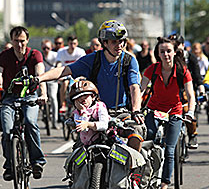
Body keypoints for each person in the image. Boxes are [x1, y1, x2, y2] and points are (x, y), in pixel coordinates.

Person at [37, 20, 145, 151]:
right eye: (114, 42)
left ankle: (133, 170)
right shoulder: (93, 59)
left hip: (121, 113)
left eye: (122, 41)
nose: (119, 45)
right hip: (93, 113)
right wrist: (39, 79)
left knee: (137, 132)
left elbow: (134, 87)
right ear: (104, 43)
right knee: (78, 154)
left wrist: (136, 111)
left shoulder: (129, 60)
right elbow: (64, 70)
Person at [0, 26, 47, 180]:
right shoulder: (5, 56)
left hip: (30, 97)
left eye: (22, 41)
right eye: (16, 41)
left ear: (27, 41)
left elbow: (41, 74)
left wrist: (43, 94)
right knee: (6, 130)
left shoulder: (35, 54)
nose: (19, 45)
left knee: (31, 122)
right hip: (9, 97)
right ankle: (10, 165)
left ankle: (37, 162)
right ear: (11, 41)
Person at [140, 37, 196, 189]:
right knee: (148, 140)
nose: (166, 54)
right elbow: (140, 90)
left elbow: (191, 95)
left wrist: (191, 112)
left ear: (174, 52)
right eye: (162, 52)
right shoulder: (152, 70)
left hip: (174, 111)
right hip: (154, 109)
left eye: (168, 51)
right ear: (157, 54)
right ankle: (143, 175)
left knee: (170, 150)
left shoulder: (182, 71)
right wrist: (135, 110)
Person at [67, 79, 110, 189]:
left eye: (86, 96)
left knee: (111, 170)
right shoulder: (78, 112)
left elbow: (104, 124)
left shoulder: (100, 107)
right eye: (78, 98)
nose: (83, 100)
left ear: (94, 96)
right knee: (79, 182)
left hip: (103, 145)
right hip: (85, 149)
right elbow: (78, 122)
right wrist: (81, 115)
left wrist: (90, 125)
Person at [56, 35, 86, 112]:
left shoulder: (81, 52)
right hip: (65, 74)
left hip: (77, 75)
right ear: (68, 43)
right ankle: (63, 104)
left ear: (77, 43)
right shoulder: (61, 52)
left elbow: (83, 65)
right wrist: (58, 74)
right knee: (65, 84)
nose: (73, 46)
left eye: (74, 43)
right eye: (71, 43)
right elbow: (59, 64)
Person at [41, 39, 59, 129]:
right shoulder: (40, 56)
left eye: (48, 48)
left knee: (53, 97)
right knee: (39, 97)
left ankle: (54, 121)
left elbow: (59, 64)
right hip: (42, 79)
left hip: (53, 79)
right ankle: (43, 113)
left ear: (51, 48)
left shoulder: (55, 55)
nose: (46, 50)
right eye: (44, 48)